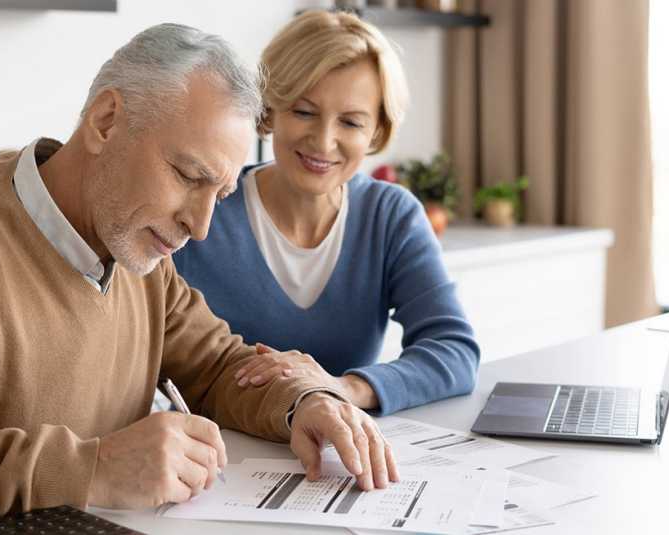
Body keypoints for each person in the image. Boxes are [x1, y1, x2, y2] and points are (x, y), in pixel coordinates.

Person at [0, 24, 398, 531]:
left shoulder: (137, 250)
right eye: (188, 176)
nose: (199, 226)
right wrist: (90, 468)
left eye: (219, 192)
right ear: (106, 120)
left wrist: (304, 400)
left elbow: (220, 367)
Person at [174, 11, 481, 417]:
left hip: (344, 457)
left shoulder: (390, 217)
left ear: (376, 132)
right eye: (303, 112)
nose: (323, 141)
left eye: (351, 122)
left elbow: (455, 351)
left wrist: (342, 388)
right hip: (220, 458)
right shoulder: (202, 209)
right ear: (270, 110)